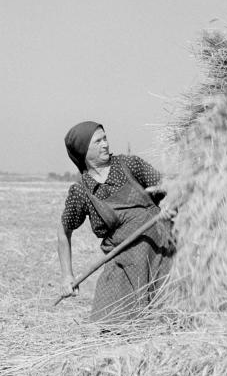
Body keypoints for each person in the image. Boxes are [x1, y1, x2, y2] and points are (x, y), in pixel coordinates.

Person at [58, 121, 175, 323]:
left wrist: (167, 203)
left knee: (173, 319)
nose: (105, 144)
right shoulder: (81, 192)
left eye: (105, 138)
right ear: (83, 150)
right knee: (117, 328)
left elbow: (170, 188)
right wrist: (67, 276)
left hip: (162, 252)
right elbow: (63, 232)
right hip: (126, 265)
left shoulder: (130, 165)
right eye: (98, 141)